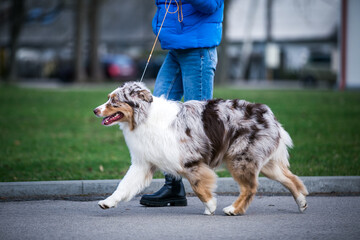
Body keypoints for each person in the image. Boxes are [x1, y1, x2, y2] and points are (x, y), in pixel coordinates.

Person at [139, 0, 224, 207]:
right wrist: (159, 24)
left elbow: (210, 6)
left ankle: (205, 190)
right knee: (156, 112)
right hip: (176, 47)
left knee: (197, 123)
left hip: (198, 48)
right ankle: (174, 186)